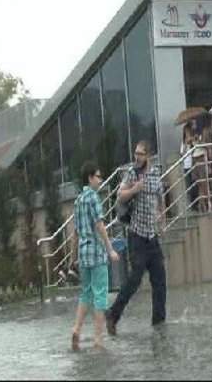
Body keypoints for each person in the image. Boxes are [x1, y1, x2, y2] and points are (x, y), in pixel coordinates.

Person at [105, 140, 167, 335]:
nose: (137, 157)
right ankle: (113, 314)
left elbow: (159, 196)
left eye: (140, 154)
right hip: (137, 235)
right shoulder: (132, 173)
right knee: (135, 278)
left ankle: (158, 323)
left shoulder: (155, 172)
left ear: (148, 156)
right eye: (135, 154)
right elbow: (120, 196)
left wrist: (162, 216)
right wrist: (134, 190)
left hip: (152, 236)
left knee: (160, 281)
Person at [71, 162, 120, 351]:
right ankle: (98, 339)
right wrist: (110, 249)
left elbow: (75, 233)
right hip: (97, 254)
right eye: (98, 176)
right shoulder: (93, 198)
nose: (100, 180)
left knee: (86, 294)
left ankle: (77, 328)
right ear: (90, 177)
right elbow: (100, 225)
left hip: (83, 255)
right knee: (100, 295)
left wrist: (72, 259)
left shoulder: (78, 200)